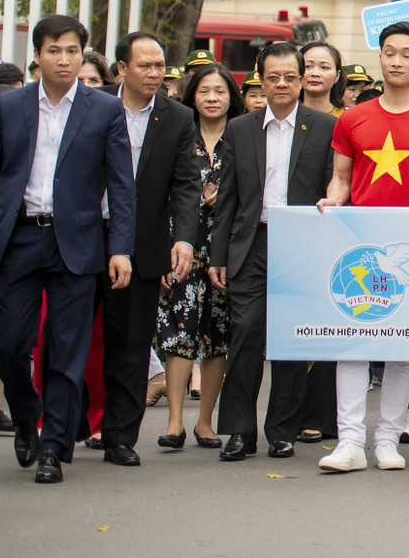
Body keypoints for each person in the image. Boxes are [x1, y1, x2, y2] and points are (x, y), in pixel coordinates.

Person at [0, 14, 135, 484]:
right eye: (54, 50)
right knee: (9, 344)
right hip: (18, 238)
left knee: (67, 350)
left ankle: (53, 447)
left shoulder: (104, 109)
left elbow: (122, 184)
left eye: (72, 50)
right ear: (37, 56)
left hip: (78, 242)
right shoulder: (9, 105)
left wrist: (121, 248)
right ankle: (26, 412)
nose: (64, 59)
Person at [312, 22, 409, 473]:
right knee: (353, 343)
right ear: (379, 57)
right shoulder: (353, 118)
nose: (396, 61)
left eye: (405, 54)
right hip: (358, 248)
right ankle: (349, 441)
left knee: (403, 346)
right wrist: (332, 200)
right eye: (389, 52)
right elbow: (341, 178)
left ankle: (387, 440)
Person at [211, 41, 334, 462]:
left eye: (290, 77)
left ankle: (282, 430)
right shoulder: (240, 128)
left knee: (292, 339)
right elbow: (228, 198)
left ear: (302, 80)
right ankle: (239, 431)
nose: (282, 84)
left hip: (302, 246)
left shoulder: (324, 127)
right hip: (253, 243)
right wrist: (219, 256)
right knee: (245, 333)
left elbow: (333, 189)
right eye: (273, 77)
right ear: (260, 81)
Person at [99, 31, 202, 465]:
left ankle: (120, 437)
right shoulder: (95, 106)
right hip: (86, 238)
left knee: (131, 344)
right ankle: (66, 425)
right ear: (122, 69)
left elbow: (186, 183)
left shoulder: (176, 117)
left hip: (143, 245)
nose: (155, 73)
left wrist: (183, 238)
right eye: (145, 65)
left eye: (160, 65)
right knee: (76, 339)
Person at [157, 62, 236, 450]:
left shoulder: (242, 134)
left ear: (231, 97)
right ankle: (175, 422)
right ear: (192, 96)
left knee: (217, 336)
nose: (212, 98)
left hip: (225, 249)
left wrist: (229, 194)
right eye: (204, 91)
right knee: (178, 331)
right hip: (181, 247)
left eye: (220, 91)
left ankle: (205, 422)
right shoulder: (178, 132)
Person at [299, 43, 343, 116]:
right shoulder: (286, 115)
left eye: (324, 67)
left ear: (337, 75)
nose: (315, 73)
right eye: (308, 66)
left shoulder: (345, 118)